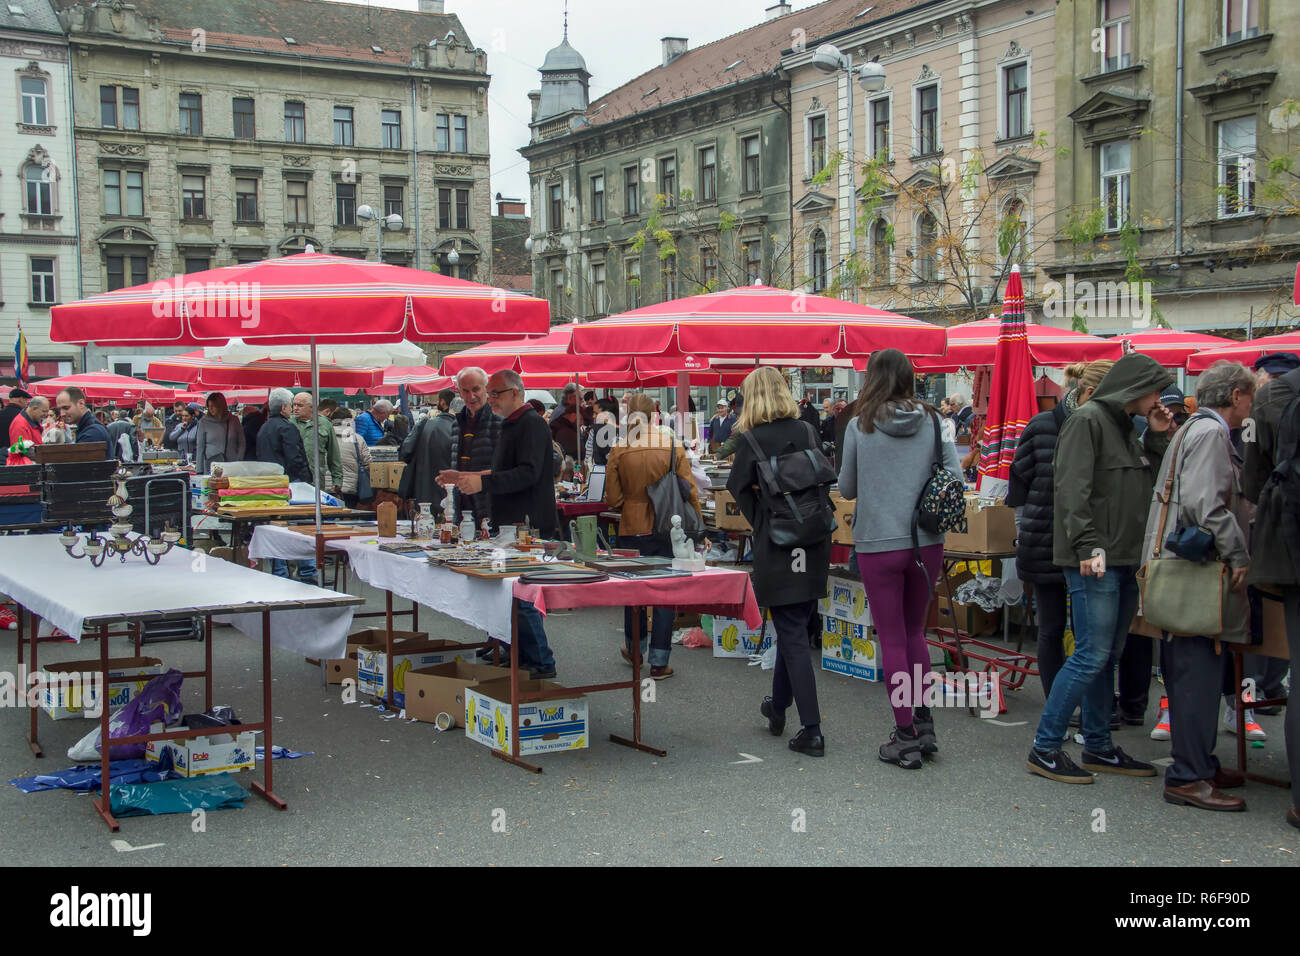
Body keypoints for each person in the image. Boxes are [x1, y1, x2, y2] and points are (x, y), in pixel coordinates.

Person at [1026, 353, 1175, 784]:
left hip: (1122, 555)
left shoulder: (1127, 424)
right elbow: (1072, 489)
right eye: (1155, 390)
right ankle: (1046, 747)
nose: (1159, 398)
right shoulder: (1089, 420)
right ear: (1136, 387)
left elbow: (1144, 482)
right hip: (1097, 558)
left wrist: (1159, 438)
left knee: (1105, 654)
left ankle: (1097, 746)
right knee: (1092, 654)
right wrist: (1089, 545)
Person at [1140, 362, 1255, 812]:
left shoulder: (1194, 429)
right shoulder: (1209, 434)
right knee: (1196, 675)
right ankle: (1188, 774)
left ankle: (1197, 763)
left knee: (1193, 672)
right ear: (1238, 395)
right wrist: (1237, 553)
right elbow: (1205, 506)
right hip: (1194, 573)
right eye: (1250, 397)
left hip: (1180, 568)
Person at [838, 349, 962, 769]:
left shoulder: (859, 425)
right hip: (926, 540)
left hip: (879, 542)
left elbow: (848, 487)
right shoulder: (934, 421)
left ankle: (904, 735)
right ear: (910, 377)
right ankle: (924, 723)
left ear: (872, 378)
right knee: (915, 635)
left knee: (890, 638)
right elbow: (956, 479)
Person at [728, 368, 832, 755]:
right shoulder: (807, 430)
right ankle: (778, 707)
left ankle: (812, 729)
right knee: (796, 628)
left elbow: (736, 487)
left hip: (779, 542)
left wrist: (762, 521)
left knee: (792, 630)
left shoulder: (750, 439)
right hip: (814, 539)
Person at [1008, 360, 1114, 699]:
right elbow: (1019, 485)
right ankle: (1059, 701)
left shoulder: (1111, 426)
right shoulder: (1042, 426)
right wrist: (1024, 532)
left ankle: (1088, 704)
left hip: (1089, 543)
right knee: (1053, 627)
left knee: (1086, 631)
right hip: (1047, 539)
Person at [442, 369, 558, 679]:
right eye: (489, 393)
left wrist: (482, 483)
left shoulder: (531, 424)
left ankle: (541, 662)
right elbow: (502, 471)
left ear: (516, 393)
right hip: (511, 523)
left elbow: (529, 473)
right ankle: (524, 657)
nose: (489, 399)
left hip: (528, 523)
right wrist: (469, 478)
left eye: (495, 393)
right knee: (510, 594)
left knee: (522, 596)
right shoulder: (512, 424)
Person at [605, 393, 702, 680]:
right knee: (664, 593)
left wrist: (632, 502)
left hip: (632, 527)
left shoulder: (620, 449)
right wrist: (698, 530)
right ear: (655, 416)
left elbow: (613, 498)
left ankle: (635, 651)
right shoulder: (671, 445)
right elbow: (689, 490)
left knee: (633, 592)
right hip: (666, 526)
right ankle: (659, 662)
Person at [258, 388, 315, 583]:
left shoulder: (264, 428)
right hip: (291, 483)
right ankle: (307, 572)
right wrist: (306, 479)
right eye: (291, 405)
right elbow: (295, 457)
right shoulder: (287, 427)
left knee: (277, 529)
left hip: (270, 484)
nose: (293, 409)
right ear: (284, 407)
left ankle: (279, 572)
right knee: (302, 528)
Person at [446, 367, 499, 525]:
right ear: (459, 392)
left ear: (486, 388)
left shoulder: (500, 420)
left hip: (492, 507)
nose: (471, 396)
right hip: (462, 505)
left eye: (476, 389)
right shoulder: (458, 423)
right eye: (465, 391)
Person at [398, 393, 454, 511]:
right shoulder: (461, 428)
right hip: (451, 495)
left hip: (424, 494)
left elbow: (405, 452)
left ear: (443, 402)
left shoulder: (424, 424)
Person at [291, 391, 342, 492]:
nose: (295, 408)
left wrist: (337, 479)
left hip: (316, 478)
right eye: (294, 405)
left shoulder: (325, 424)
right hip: (294, 478)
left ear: (312, 407)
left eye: (300, 405)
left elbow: (333, 454)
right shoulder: (289, 423)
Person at [195, 392, 246, 474]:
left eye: (213, 406)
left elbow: (242, 443)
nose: (211, 409)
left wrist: (239, 459)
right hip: (212, 465)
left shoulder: (233, 420)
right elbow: (200, 447)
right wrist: (199, 470)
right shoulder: (203, 422)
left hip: (232, 465)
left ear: (221, 406)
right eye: (209, 406)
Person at [333, 408, 373, 508]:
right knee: (348, 518)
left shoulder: (323, 436)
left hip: (327, 487)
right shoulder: (357, 439)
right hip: (350, 488)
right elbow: (368, 464)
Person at [55, 387, 112, 456]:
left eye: (66, 408)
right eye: (59, 410)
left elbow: (80, 464)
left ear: (81, 404)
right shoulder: (88, 427)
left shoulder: (92, 432)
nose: (62, 414)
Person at [549, 383, 585, 460]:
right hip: (567, 459)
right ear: (571, 398)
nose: (583, 401)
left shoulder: (563, 411)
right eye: (580, 398)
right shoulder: (564, 413)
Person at [585, 398, 618, 468]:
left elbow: (587, 459)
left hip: (599, 472)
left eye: (596, 413)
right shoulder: (621, 430)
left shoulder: (594, 431)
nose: (593, 416)